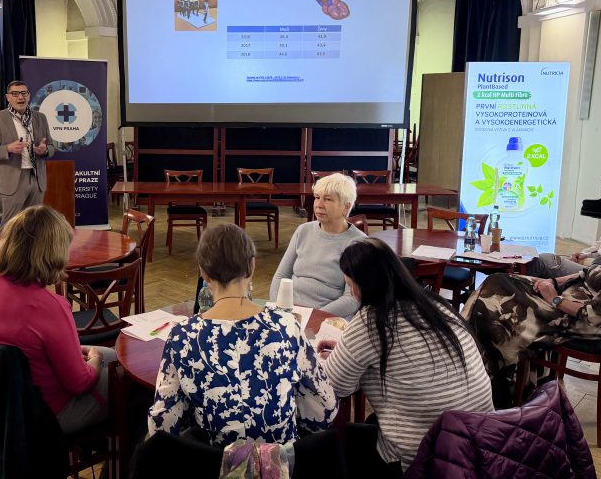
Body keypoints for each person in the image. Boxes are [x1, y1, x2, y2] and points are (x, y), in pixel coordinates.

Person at [148, 224, 337, 446]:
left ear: (203, 272)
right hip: (281, 466)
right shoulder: (286, 326)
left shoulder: (182, 336)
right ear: (252, 267)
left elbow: (162, 426)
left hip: (214, 465)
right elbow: (326, 409)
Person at [463, 191, 601, 406]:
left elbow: (593, 316)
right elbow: (588, 273)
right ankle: (485, 372)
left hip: (577, 322)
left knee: (493, 310)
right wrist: (555, 283)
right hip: (568, 303)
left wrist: (554, 298)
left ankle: (495, 385)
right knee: (498, 282)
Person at [319, 238, 493, 473]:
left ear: (366, 284)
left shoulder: (373, 322)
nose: (352, 292)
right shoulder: (435, 306)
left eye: (352, 285)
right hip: (480, 446)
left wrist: (339, 357)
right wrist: (347, 351)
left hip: (422, 459)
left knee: (329, 445)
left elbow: (333, 386)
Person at [0, 206, 114, 433]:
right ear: (53, 253)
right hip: (44, 414)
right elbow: (80, 383)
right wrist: (95, 359)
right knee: (131, 382)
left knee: (118, 355)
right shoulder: (49, 306)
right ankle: (121, 463)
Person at [269, 173, 365, 319]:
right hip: (289, 311)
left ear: (346, 207)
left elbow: (352, 299)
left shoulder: (358, 243)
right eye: (317, 197)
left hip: (326, 317)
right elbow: (281, 276)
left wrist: (312, 317)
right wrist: (279, 307)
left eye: (327, 199)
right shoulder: (303, 230)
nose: (319, 204)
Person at [0, 80, 56, 228]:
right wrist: (8, 148)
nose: (20, 97)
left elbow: (51, 146)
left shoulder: (40, 118)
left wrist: (45, 150)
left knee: (34, 224)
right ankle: (7, 252)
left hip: (36, 178)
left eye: (23, 93)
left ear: (29, 96)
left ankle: (31, 251)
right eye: (15, 94)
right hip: (12, 179)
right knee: (11, 225)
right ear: (7, 97)